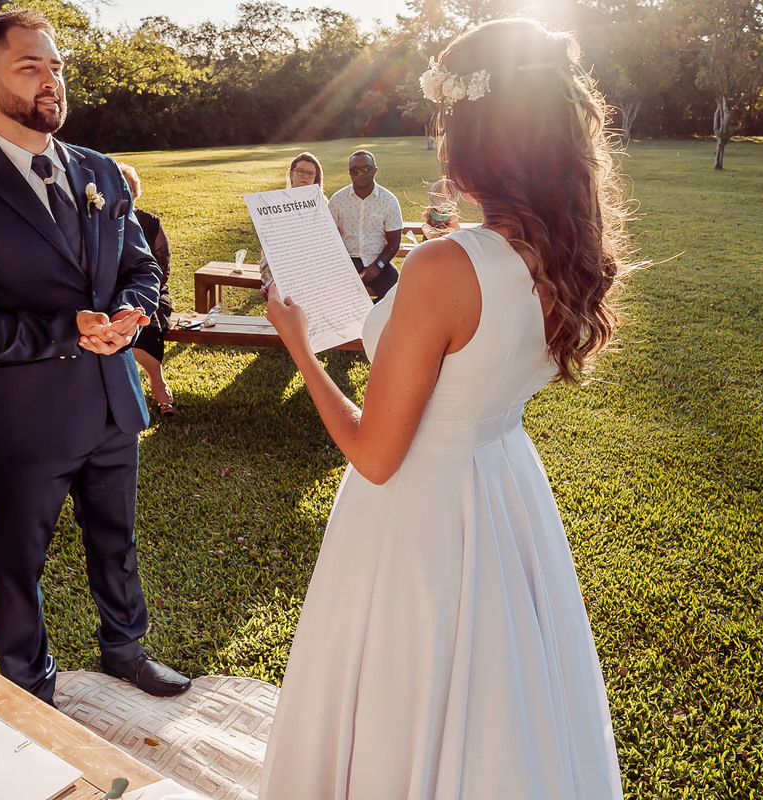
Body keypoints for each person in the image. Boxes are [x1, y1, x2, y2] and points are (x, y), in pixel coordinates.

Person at [260, 17, 634, 799]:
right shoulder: (558, 252)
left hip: (417, 517)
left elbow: (374, 452)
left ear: (472, 138)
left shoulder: (443, 265)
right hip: (501, 489)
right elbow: (467, 356)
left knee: (406, 694)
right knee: (496, 702)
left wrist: (297, 341)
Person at [0, 8, 190, 704]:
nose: (51, 81)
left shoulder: (100, 172)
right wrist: (66, 332)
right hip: (25, 420)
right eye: (30, 67)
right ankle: (29, 687)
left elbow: (140, 267)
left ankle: (126, 648)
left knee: (117, 542)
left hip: (111, 403)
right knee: (17, 562)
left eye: (57, 65)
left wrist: (131, 313)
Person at [117, 162, 176, 418]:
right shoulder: (100, 222)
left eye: (128, 187)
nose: (124, 191)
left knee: (142, 318)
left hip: (150, 292)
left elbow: (162, 271)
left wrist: (139, 293)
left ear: (136, 191)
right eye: (119, 186)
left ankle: (157, 380)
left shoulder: (150, 222)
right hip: (111, 296)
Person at [326, 149, 402, 300]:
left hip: (379, 260)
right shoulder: (337, 200)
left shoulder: (388, 200)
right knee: (337, 294)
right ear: (349, 173)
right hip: (348, 261)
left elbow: (394, 242)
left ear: (375, 170)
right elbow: (329, 238)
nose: (361, 174)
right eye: (355, 171)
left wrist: (378, 266)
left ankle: (374, 321)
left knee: (393, 289)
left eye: (366, 169)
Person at [259, 151, 324, 298]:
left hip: (310, 261)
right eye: (301, 172)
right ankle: (272, 287)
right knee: (278, 284)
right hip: (279, 259)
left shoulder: (323, 205)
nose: (305, 177)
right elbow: (270, 245)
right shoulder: (275, 204)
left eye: (310, 174)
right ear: (291, 174)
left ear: (315, 179)